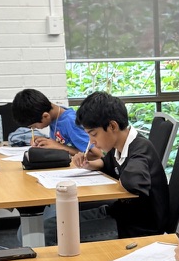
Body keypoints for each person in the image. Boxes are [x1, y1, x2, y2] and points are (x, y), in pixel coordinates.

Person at [71, 91, 169, 240]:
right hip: (119, 213)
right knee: (52, 224)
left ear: (112, 126)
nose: (91, 141)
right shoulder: (119, 145)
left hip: (138, 228)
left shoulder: (140, 149)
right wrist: (89, 164)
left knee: (57, 235)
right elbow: (107, 163)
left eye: (93, 134)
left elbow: (133, 183)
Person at [11, 88, 90, 156]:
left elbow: (95, 154)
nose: (34, 128)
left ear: (45, 116)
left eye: (34, 126)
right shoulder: (54, 119)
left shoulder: (71, 122)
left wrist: (58, 146)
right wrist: (45, 140)